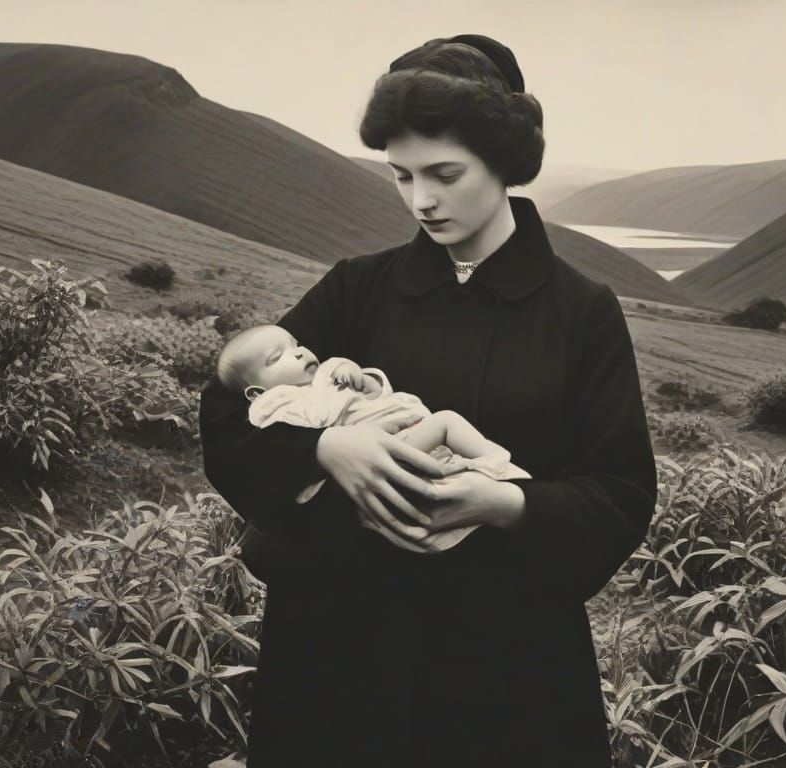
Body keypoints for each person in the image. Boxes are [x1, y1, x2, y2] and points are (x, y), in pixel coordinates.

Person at [199, 33, 657, 767]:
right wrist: (324, 447)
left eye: (445, 173)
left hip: (505, 670)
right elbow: (229, 409)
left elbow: (621, 491)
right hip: (337, 657)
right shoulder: (356, 287)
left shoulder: (582, 311)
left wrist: (502, 503)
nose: (422, 201)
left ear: (505, 159)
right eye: (401, 176)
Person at [214, 322, 531, 552]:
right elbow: (315, 424)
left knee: (445, 445)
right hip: (380, 455)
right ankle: (498, 463)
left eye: (296, 345)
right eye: (276, 358)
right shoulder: (277, 403)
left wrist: (362, 379)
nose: (298, 354)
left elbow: (379, 398)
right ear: (256, 392)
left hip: (394, 443)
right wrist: (333, 383)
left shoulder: (321, 380)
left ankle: (497, 473)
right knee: (445, 422)